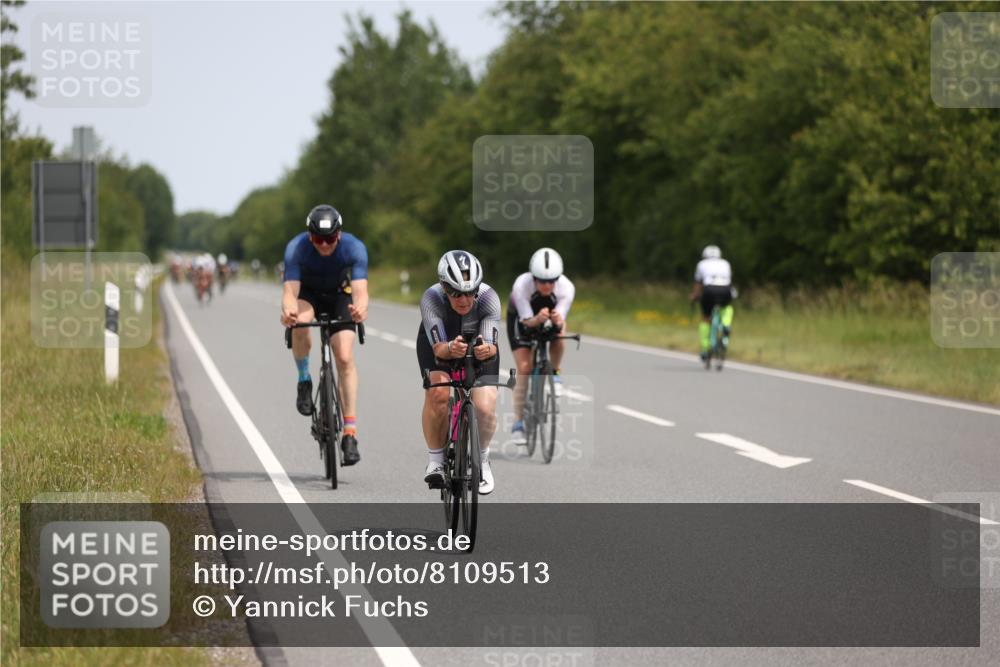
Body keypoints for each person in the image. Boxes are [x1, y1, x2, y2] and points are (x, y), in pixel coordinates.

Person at [280, 204, 369, 465]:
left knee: (343, 356)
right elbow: (290, 292)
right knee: (299, 321)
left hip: (340, 295)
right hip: (308, 295)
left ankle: (350, 433)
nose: (325, 245)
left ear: (339, 235)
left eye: (330, 239)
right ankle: (304, 378)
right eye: (318, 239)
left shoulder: (354, 247)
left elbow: (360, 290)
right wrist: (288, 310)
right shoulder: (296, 248)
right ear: (310, 236)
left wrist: (361, 308)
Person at [417, 250, 501, 494]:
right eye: (455, 292)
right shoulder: (431, 298)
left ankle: (482, 459)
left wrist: (486, 350)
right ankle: (435, 461)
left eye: (469, 292)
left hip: (477, 343)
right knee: (438, 393)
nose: (463, 300)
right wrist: (450, 348)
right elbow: (439, 348)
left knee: (485, 407)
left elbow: (492, 345)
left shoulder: (489, 298)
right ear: (444, 287)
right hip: (441, 343)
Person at [507, 247, 575, 444]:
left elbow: (561, 321)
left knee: (560, 334)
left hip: (547, 316)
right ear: (533, 277)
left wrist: (556, 320)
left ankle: (554, 372)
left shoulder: (566, 288)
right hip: (522, 318)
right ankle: (518, 423)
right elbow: (526, 321)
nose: (547, 285)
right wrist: (537, 319)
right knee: (525, 367)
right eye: (542, 280)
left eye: (552, 280)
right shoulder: (521, 285)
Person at [688, 245, 734, 361]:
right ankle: (725, 324)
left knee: (705, 318)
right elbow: (729, 280)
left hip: (710, 289)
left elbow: (698, 283)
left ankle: (705, 349)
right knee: (727, 307)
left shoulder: (702, 264)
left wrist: (695, 296)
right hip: (725, 289)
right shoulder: (725, 263)